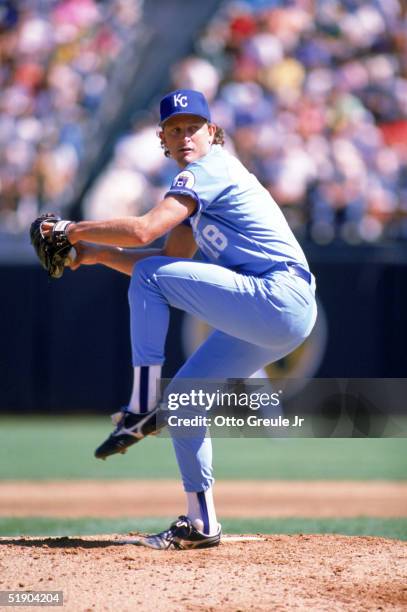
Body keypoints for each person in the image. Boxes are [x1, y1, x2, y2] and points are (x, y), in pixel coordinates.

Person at [48, 89, 317, 550]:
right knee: (187, 400)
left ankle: (139, 402)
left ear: (213, 133)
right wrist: (94, 254)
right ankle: (201, 521)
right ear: (163, 140)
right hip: (273, 314)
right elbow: (163, 262)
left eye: (194, 126)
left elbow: (144, 230)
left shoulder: (212, 169)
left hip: (279, 294)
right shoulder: (196, 194)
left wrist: (69, 230)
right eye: (175, 129)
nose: (185, 135)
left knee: (153, 283)